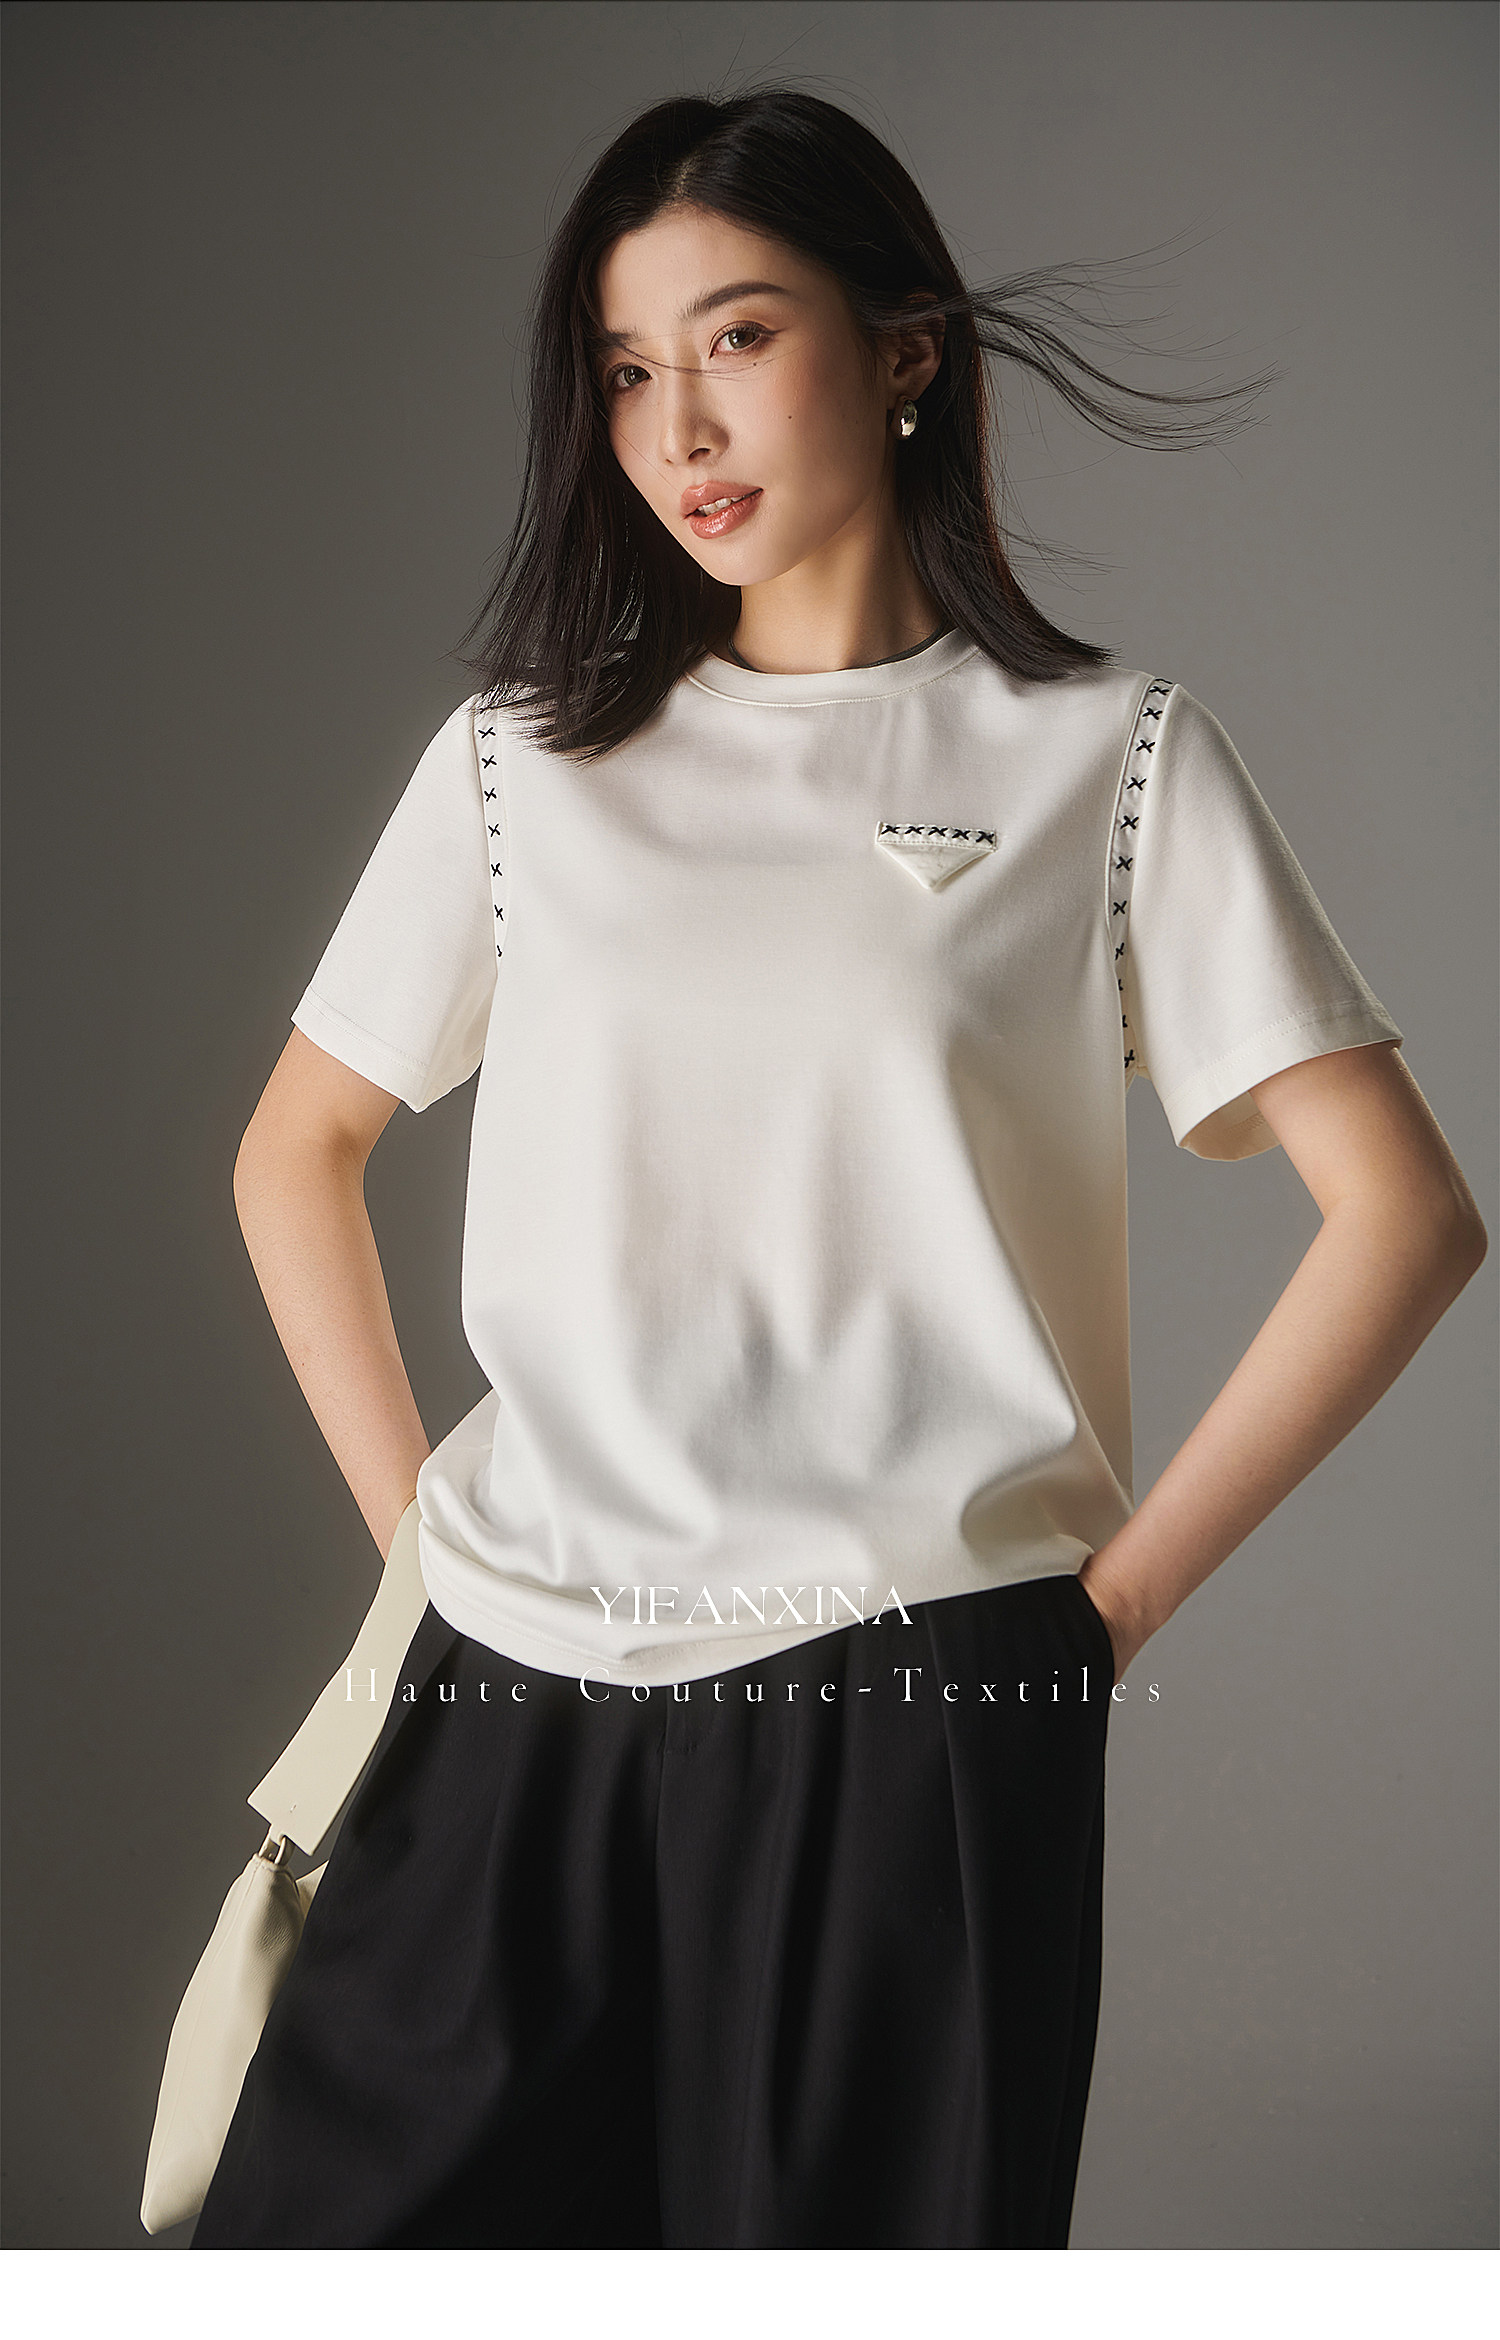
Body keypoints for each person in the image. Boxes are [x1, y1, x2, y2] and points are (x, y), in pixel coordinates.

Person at [189, 88, 1486, 2250]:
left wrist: (1098, 1619)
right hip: (508, 1677)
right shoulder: (522, 766)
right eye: (626, 371)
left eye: (737, 337)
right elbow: (291, 1154)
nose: (678, 424)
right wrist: (427, 1554)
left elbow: (1409, 1219)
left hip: (912, 1702)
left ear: (905, 350)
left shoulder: (1103, 760)